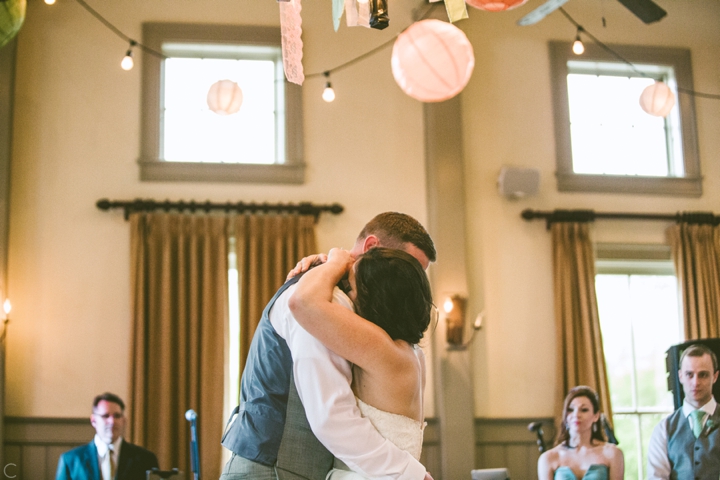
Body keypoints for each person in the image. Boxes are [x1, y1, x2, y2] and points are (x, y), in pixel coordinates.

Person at [220, 212, 437, 480]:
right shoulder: (330, 302)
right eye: (407, 265)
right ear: (371, 248)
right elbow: (332, 415)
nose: (410, 279)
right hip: (274, 471)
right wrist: (408, 472)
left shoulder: (375, 332)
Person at [288, 247, 433, 478]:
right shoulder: (411, 354)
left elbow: (302, 301)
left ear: (374, 299)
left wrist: (335, 260)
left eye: (349, 288)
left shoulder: (383, 348)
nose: (345, 294)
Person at [646, 343, 720, 479]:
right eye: (689, 374)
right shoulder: (664, 429)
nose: (696, 382)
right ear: (680, 376)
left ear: (715, 377)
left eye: (703, 375)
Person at [56, 392, 159, 480]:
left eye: (117, 416)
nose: (112, 422)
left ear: (123, 420)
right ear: (94, 420)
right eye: (105, 416)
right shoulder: (71, 460)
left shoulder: (146, 459)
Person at [537, 386, 623, 480]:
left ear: (596, 416)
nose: (576, 415)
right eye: (570, 410)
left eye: (584, 410)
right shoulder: (548, 458)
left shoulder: (613, 454)